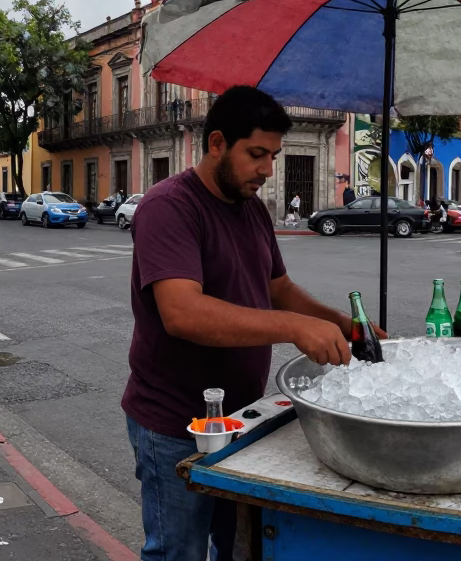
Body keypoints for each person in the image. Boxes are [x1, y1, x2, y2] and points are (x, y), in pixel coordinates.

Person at [123, 86, 383, 561]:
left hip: (241, 418)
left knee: (239, 547)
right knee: (176, 552)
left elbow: (277, 288)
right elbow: (182, 313)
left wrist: (343, 323)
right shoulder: (169, 207)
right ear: (218, 143)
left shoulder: (252, 209)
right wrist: (291, 328)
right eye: (256, 154)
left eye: (275, 156)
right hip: (174, 423)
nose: (267, 169)